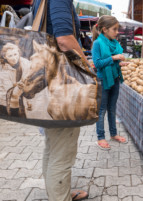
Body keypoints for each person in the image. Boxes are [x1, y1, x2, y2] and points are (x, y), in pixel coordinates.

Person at [33, 0, 89, 200]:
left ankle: (58, 193)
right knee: (62, 152)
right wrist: (86, 67)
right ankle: (60, 196)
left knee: (53, 145)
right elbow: (64, 39)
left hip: (49, 84)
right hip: (61, 87)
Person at [92, 15, 128, 150]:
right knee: (101, 111)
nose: (117, 32)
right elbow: (97, 63)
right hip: (102, 80)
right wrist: (113, 58)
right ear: (105, 29)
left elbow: (114, 62)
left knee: (112, 109)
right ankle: (100, 137)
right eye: (115, 29)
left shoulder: (115, 43)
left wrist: (120, 63)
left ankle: (113, 134)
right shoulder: (97, 43)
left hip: (115, 78)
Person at [0, 43, 31, 117]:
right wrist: (21, 84)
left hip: (23, 102)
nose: (14, 58)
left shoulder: (25, 63)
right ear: (5, 57)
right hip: (7, 104)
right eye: (10, 56)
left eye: (15, 54)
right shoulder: (3, 70)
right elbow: (12, 94)